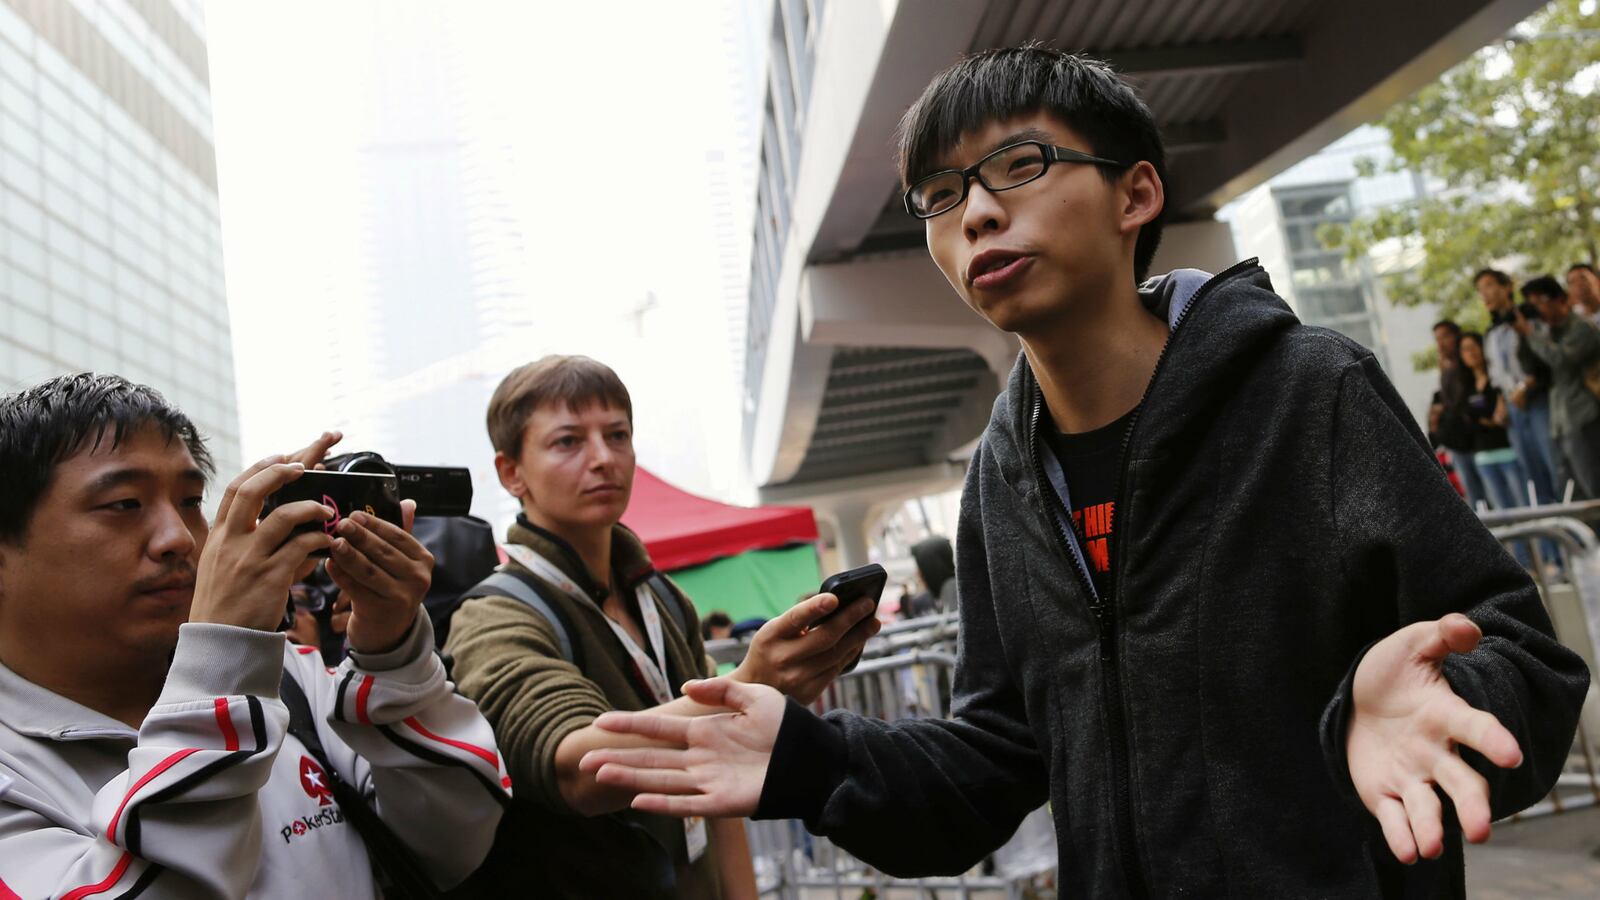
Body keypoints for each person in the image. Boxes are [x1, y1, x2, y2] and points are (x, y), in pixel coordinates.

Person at [578, 46, 1589, 899]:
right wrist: (812, 759)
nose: (972, 214)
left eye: (1017, 164)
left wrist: (1436, 698)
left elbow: (1525, 661)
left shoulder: (1307, 391)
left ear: (1135, 193)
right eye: (939, 194)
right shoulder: (1000, 481)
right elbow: (991, 762)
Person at [0, 373, 511, 898]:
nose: (178, 538)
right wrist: (223, 657)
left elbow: (452, 843)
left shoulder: (290, 675)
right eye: (124, 503)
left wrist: (392, 650)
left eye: (191, 500)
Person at [442, 355, 879, 899]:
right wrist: (750, 684)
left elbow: (715, 786)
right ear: (512, 473)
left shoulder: (661, 596)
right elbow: (583, 770)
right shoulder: (493, 614)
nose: (603, 458)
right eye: (568, 442)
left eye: (617, 434)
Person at [1476, 268, 1559, 506]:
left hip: (1538, 401)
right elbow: (1496, 374)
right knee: (1533, 481)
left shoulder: (1529, 316)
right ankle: (1550, 541)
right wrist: (1501, 402)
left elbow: (1543, 362)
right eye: (1481, 290)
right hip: (1513, 408)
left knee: (1554, 469)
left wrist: (1525, 386)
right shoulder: (1491, 332)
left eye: (1490, 286)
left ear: (1507, 287)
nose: (1486, 294)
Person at [1516, 275, 1600, 499]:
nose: (1536, 308)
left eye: (1539, 301)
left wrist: (1530, 334)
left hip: (1584, 417)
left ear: (1559, 299)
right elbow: (1530, 367)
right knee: (1572, 495)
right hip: (1560, 423)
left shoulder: (1582, 327)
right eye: (1531, 303)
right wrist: (1525, 335)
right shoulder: (1543, 334)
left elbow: (1561, 360)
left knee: (1594, 488)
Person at [1428, 320, 1488, 508]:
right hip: (1456, 441)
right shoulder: (1446, 370)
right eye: (1437, 339)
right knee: (1471, 491)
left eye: (1445, 337)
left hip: (1477, 438)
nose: (1441, 343)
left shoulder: (1469, 367)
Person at [903, 535, 957, 618]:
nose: (918, 574)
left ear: (930, 567)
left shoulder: (952, 591)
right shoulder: (944, 592)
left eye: (921, 567)